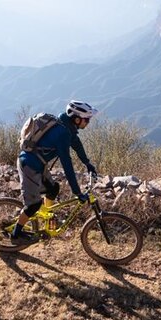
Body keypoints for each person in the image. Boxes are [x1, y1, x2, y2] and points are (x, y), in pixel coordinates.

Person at [11, 100, 99, 243]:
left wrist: (87, 163)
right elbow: (67, 165)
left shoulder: (66, 128)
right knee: (33, 205)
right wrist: (77, 192)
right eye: (87, 120)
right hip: (29, 165)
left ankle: (47, 218)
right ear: (77, 119)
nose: (88, 123)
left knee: (53, 189)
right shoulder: (62, 133)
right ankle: (15, 235)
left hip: (39, 164)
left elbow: (77, 144)